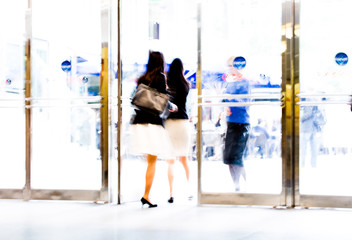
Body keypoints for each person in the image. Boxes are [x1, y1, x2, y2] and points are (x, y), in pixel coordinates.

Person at [129, 51, 176, 208]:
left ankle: (145, 194)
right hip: (153, 124)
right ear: (161, 62)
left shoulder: (142, 78)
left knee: (147, 160)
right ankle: (146, 195)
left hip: (139, 122)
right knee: (152, 162)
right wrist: (172, 106)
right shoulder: (160, 77)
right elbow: (162, 99)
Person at [164, 58, 192, 203]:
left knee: (170, 160)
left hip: (170, 123)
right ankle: (189, 190)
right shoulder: (185, 84)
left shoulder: (167, 84)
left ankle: (171, 193)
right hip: (183, 122)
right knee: (184, 158)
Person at [222, 56, 251, 192]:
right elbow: (225, 100)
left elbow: (245, 103)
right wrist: (226, 106)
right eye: (228, 66)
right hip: (231, 122)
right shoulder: (229, 82)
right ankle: (238, 184)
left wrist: (230, 99)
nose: (229, 68)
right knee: (229, 157)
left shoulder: (244, 82)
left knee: (236, 157)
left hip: (241, 123)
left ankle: (243, 184)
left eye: (230, 65)